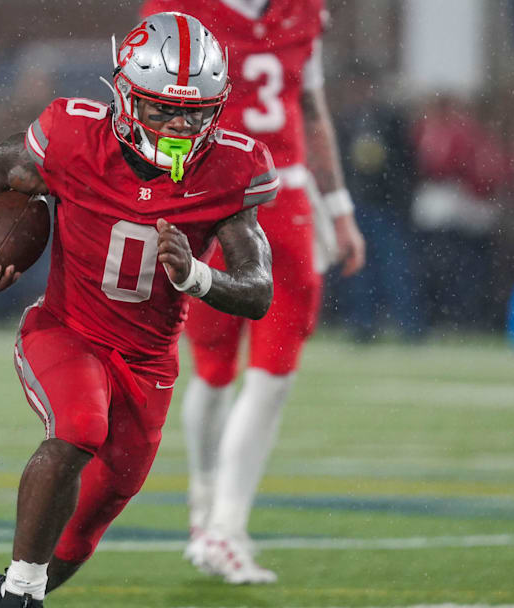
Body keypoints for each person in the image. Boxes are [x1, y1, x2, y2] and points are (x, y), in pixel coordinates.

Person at [0, 13, 276, 606]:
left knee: (93, 516)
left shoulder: (230, 169)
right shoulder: (73, 138)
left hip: (149, 364)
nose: (178, 124)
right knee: (78, 427)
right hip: (67, 329)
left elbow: (258, 288)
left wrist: (196, 275)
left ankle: (19, 594)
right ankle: (19, 593)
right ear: (123, 96)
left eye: (195, 112)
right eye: (162, 108)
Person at [139, 0, 366, 584]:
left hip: (285, 199)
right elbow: (150, 114)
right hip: (211, 200)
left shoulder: (301, 10)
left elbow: (309, 106)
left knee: (274, 373)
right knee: (212, 372)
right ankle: (206, 498)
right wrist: (161, 197)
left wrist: (338, 208)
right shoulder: (179, 11)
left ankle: (225, 527)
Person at [333, 60, 421, 342]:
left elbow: (407, 163)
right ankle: (363, 324)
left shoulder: (391, 120)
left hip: (385, 204)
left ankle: (409, 325)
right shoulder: (345, 122)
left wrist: (401, 198)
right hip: (357, 204)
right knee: (359, 270)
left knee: (396, 268)